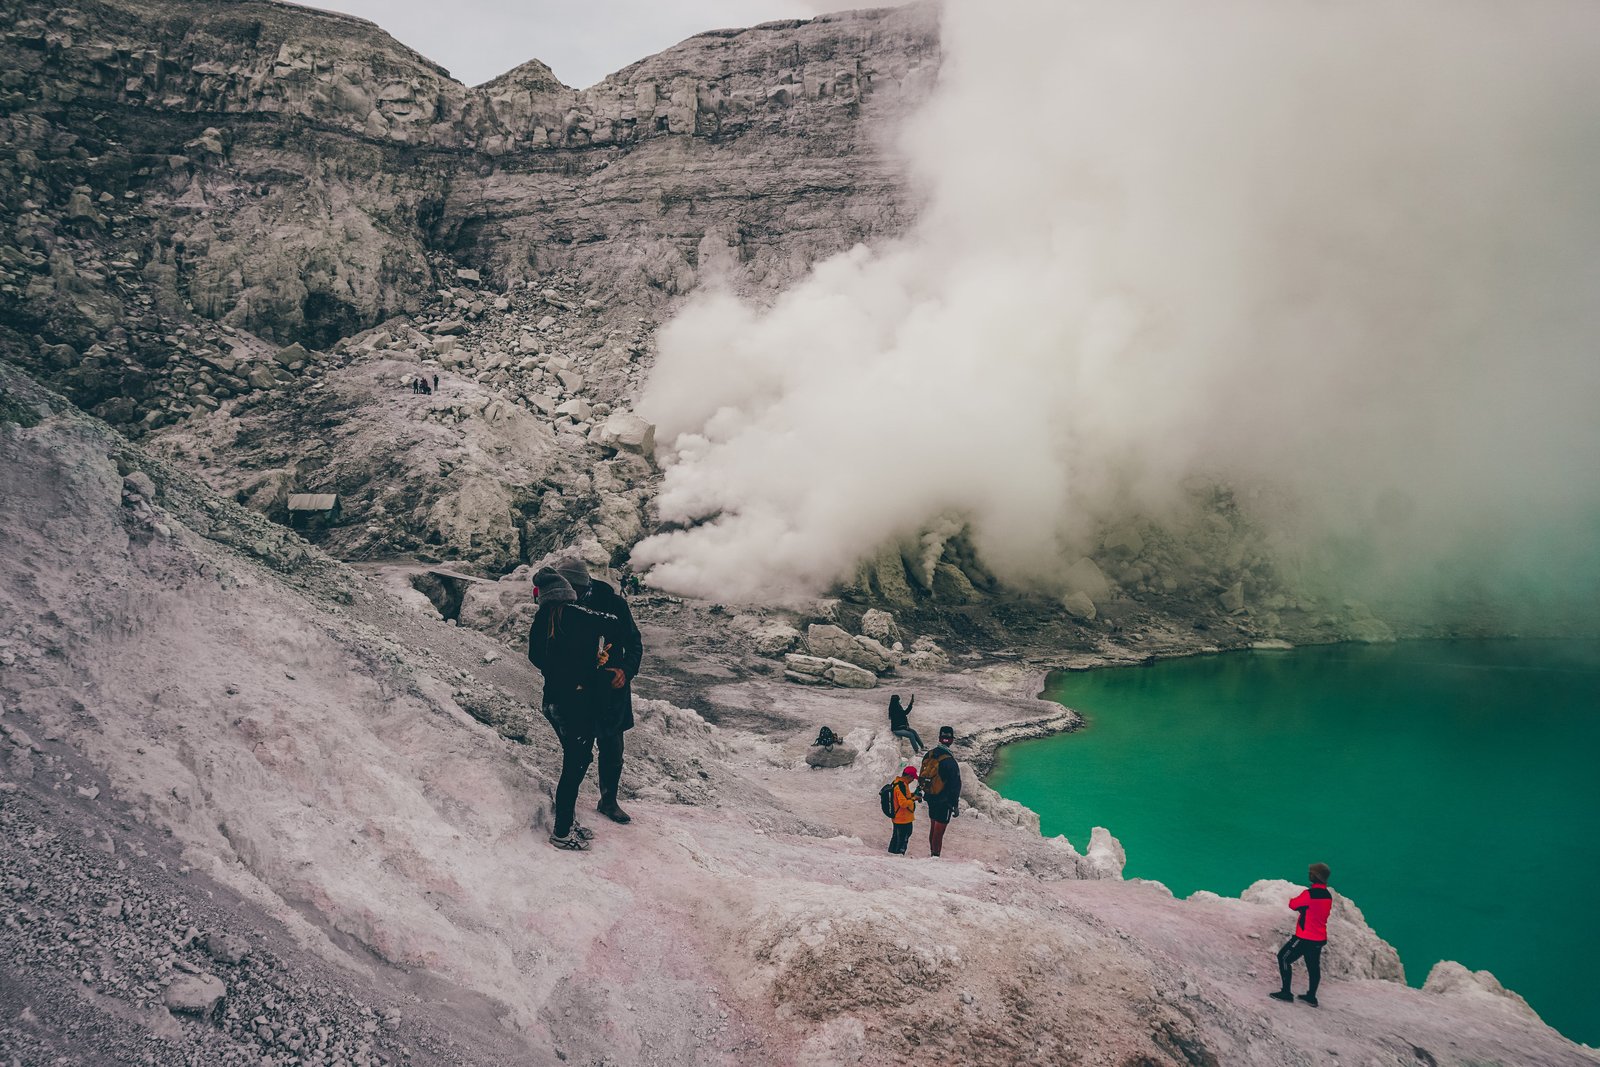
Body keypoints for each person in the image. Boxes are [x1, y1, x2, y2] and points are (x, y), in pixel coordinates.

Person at [526, 567, 628, 851]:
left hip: (554, 702)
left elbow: (538, 657)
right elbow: (613, 626)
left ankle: (567, 821)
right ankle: (561, 833)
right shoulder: (573, 616)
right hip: (572, 706)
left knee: (576, 760)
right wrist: (601, 675)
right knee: (577, 763)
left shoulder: (544, 620)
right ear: (567, 595)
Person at [557, 557, 642, 824]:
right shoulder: (561, 604)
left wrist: (626, 671)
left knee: (613, 749)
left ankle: (608, 801)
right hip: (578, 691)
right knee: (576, 751)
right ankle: (566, 807)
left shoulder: (614, 605)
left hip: (610, 690)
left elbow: (635, 644)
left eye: (575, 590)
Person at [1270, 862, 1333, 1007]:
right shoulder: (1327, 895)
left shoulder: (1309, 894)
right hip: (1319, 938)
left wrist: (1303, 907)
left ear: (1315, 876)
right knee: (1313, 967)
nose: (1308, 874)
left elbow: (1293, 904)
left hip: (1305, 937)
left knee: (1283, 958)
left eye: (1311, 872)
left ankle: (1286, 993)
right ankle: (1311, 997)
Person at [918, 726, 963, 857]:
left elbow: (922, 774)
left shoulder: (929, 754)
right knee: (940, 829)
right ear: (951, 740)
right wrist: (955, 805)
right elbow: (955, 785)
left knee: (933, 825)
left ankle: (932, 852)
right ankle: (935, 855)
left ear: (939, 738)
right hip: (944, 801)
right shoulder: (950, 761)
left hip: (931, 796)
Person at [888, 766, 919, 854]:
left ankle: (891, 854)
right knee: (902, 840)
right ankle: (898, 857)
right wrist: (914, 799)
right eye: (913, 778)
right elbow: (903, 804)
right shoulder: (900, 786)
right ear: (908, 776)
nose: (913, 780)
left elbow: (904, 797)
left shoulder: (898, 783)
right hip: (903, 819)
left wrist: (913, 795)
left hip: (898, 817)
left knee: (895, 839)